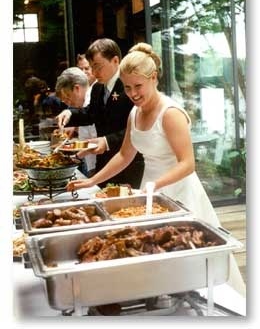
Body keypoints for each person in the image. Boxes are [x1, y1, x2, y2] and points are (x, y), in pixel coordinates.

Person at [66, 42, 245, 296]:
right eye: (127, 87)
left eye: (138, 86)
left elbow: (187, 163)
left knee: (190, 258)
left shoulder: (170, 113)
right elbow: (124, 155)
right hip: (151, 192)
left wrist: (156, 184)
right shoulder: (134, 114)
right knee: (155, 253)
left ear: (153, 78)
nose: (133, 93)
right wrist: (90, 180)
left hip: (180, 191)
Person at [56, 38, 144, 188]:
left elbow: (139, 127)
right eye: (92, 67)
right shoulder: (97, 88)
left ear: (115, 60)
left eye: (98, 66)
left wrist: (108, 141)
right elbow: (91, 114)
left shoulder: (129, 86)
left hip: (130, 163)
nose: (95, 73)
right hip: (104, 161)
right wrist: (70, 113)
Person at [55, 66, 97, 177]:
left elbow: (95, 141)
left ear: (77, 88)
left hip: (99, 165)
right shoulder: (83, 106)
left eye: (68, 98)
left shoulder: (92, 101)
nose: (69, 104)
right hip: (90, 164)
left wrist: (77, 156)